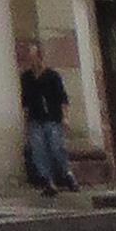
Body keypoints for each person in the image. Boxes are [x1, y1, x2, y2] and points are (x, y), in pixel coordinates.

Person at [22, 50, 79, 195]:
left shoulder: (53, 76)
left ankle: (67, 173)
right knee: (39, 152)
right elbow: (26, 102)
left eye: (34, 58)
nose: (32, 62)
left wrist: (65, 117)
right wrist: (26, 124)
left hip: (53, 118)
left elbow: (62, 98)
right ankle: (48, 182)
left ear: (40, 58)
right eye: (30, 59)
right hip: (35, 119)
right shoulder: (26, 78)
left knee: (56, 148)